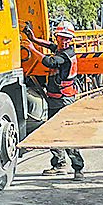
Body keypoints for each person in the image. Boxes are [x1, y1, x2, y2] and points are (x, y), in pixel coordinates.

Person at [24, 19, 85, 180]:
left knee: (66, 134)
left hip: (64, 100)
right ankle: (59, 164)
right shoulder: (59, 48)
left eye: (67, 38)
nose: (63, 41)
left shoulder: (66, 55)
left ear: (71, 40)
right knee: (52, 132)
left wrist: (31, 49)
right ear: (57, 37)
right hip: (55, 99)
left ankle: (78, 167)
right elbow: (50, 46)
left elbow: (50, 62)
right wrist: (34, 39)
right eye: (61, 37)